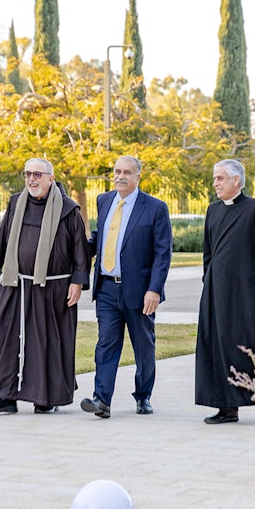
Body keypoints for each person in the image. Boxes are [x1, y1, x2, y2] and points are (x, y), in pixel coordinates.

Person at [0, 157, 89, 414]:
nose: (31, 179)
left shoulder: (68, 210)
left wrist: (77, 282)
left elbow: (80, 250)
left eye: (37, 175)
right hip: (16, 283)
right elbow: (2, 241)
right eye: (27, 174)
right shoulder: (15, 204)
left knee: (46, 343)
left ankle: (46, 399)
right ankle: (5, 396)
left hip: (52, 289)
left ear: (51, 178)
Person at [80, 156, 172, 419]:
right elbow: (102, 236)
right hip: (107, 289)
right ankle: (102, 400)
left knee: (143, 347)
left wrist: (154, 290)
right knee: (106, 344)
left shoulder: (155, 208)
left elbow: (162, 253)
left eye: (127, 172)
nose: (120, 176)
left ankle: (143, 396)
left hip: (140, 291)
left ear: (137, 177)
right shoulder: (104, 200)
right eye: (117, 171)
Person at [194, 160, 255, 424]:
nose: (216, 183)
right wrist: (209, 281)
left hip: (248, 295)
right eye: (214, 178)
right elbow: (208, 253)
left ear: (237, 180)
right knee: (219, 347)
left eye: (221, 178)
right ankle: (226, 406)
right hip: (216, 295)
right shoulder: (212, 211)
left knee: (254, 346)